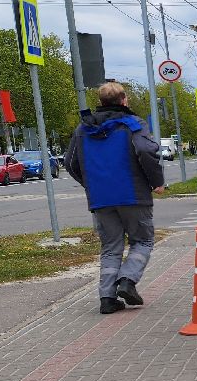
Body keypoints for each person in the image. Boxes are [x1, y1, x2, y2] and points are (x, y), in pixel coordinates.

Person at [64, 81, 166, 314]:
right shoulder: (133, 124)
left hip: (101, 199)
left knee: (110, 247)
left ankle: (107, 299)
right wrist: (156, 181)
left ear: (100, 102)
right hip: (133, 194)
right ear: (123, 100)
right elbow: (146, 151)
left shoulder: (83, 128)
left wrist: (91, 185)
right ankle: (127, 281)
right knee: (143, 241)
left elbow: (70, 163)